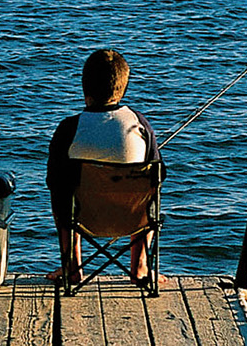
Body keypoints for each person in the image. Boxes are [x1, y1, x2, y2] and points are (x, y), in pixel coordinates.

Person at [45, 48, 163, 285]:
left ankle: (72, 267)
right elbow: (160, 175)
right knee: (149, 189)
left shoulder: (69, 128)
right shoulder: (139, 124)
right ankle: (140, 267)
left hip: (83, 218)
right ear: (123, 88)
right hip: (131, 218)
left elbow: (53, 181)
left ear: (84, 87)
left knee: (62, 190)